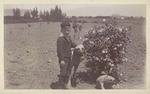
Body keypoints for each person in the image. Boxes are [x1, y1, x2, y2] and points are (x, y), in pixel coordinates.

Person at [57, 20, 76, 89]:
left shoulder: (68, 38)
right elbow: (60, 51)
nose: (67, 32)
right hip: (64, 58)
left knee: (68, 71)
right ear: (61, 30)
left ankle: (65, 84)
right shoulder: (61, 39)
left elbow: (72, 45)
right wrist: (61, 60)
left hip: (68, 57)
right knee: (63, 72)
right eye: (65, 30)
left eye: (68, 30)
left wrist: (77, 46)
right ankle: (59, 85)